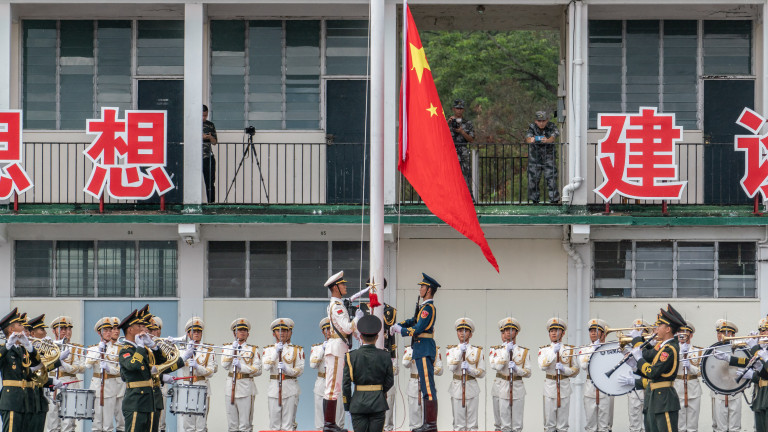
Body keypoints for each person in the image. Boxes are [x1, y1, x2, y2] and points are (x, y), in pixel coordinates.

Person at [118, 306, 189, 432]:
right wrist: (140, 346)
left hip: (147, 401)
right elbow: (132, 366)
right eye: (139, 326)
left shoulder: (142, 349)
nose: (143, 329)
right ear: (130, 329)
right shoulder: (126, 350)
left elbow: (161, 361)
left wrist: (153, 346)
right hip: (135, 401)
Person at [390, 273, 439, 432]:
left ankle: (430, 425)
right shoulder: (424, 307)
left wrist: (401, 330)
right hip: (421, 349)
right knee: (425, 387)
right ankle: (427, 424)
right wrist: (399, 324)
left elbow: (418, 328)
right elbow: (413, 320)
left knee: (428, 388)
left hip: (424, 348)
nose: (420, 288)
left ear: (429, 290)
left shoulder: (428, 308)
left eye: (423, 286)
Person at [625, 304, 686, 432]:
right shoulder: (663, 347)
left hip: (664, 399)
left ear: (668, 329)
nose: (656, 329)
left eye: (659, 326)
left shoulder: (669, 349)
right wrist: (636, 367)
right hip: (655, 399)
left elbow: (653, 372)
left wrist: (639, 359)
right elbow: (650, 364)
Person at [324, 270, 364, 432]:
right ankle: (328, 425)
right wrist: (357, 318)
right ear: (335, 288)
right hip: (336, 348)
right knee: (332, 388)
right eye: (342, 284)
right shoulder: (336, 306)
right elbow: (347, 328)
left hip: (340, 347)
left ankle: (331, 423)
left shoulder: (339, 305)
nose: (345, 286)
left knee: (336, 387)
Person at [714, 317, 768, 432]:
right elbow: (749, 362)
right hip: (761, 394)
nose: (762, 333)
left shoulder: (761, 350)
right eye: (761, 330)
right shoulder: (763, 349)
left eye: (765, 330)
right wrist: (728, 358)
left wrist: (754, 349)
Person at [342, 315, 395, 432]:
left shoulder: (351, 356)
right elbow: (390, 381)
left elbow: (346, 384)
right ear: (377, 337)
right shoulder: (385, 355)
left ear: (360, 337)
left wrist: (348, 405)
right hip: (378, 403)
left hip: (357, 404)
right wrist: (379, 392)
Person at [489, 317, 530, 432]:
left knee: (517, 425)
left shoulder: (523, 351)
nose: (508, 332)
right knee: (503, 424)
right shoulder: (496, 350)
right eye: (506, 330)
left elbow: (528, 372)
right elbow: (496, 366)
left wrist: (517, 369)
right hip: (501, 386)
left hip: (517, 386)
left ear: (516, 332)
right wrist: (506, 352)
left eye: (511, 329)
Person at [538, 317, 579, 432]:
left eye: (557, 331)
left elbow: (576, 370)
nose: (554, 333)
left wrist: (564, 370)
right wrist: (553, 352)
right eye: (552, 331)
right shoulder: (544, 350)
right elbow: (542, 366)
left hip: (564, 386)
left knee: (563, 425)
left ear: (563, 333)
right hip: (550, 387)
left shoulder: (570, 350)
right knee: (549, 424)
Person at [263, 318, 304, 431]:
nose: (282, 333)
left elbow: (300, 370)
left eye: (285, 331)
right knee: (274, 424)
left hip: (290, 387)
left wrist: (287, 370)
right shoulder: (269, 350)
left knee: (288, 425)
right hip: (274, 388)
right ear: (274, 333)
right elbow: (266, 367)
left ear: (289, 332)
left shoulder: (297, 350)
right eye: (279, 331)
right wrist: (276, 353)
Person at [221, 317, 261, 432]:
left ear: (248, 334)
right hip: (230, 387)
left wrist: (241, 367)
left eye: (244, 330)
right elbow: (224, 365)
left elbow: (258, 370)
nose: (242, 332)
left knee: (245, 425)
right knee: (232, 425)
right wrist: (233, 351)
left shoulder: (253, 350)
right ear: (234, 333)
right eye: (239, 330)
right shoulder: (227, 347)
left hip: (246, 387)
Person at [46, 316, 85, 432]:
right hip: (52, 386)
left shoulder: (76, 349)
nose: (66, 331)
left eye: (68, 329)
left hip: (69, 385)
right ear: (53, 331)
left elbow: (82, 368)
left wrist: (64, 365)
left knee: (68, 424)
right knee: (52, 424)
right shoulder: (48, 347)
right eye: (61, 328)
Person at [445, 317, 485, 431]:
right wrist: (459, 353)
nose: (462, 333)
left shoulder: (477, 351)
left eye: (465, 331)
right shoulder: (452, 350)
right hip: (457, 386)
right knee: (458, 425)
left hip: (471, 386)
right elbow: (451, 368)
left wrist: (470, 370)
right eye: (459, 331)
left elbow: (482, 373)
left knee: (472, 425)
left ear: (470, 334)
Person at [180, 316, 218, 432]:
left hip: (202, 385)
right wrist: (185, 355)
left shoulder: (208, 349)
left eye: (198, 331)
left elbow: (211, 371)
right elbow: (177, 364)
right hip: (187, 386)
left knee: (201, 424)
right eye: (193, 331)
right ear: (188, 333)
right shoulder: (182, 348)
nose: (196, 334)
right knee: (188, 425)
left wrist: (198, 367)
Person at [87, 317, 122, 432]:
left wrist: (109, 368)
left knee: (108, 425)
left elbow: (119, 369)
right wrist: (99, 351)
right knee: (96, 424)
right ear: (99, 332)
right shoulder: (93, 349)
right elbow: (87, 365)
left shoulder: (117, 349)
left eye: (110, 330)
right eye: (105, 330)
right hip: (97, 387)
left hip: (111, 387)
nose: (108, 333)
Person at [310, 318, 345, 430]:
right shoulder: (317, 348)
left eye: (330, 329)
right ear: (322, 332)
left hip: (336, 382)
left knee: (338, 419)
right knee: (320, 422)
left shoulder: (341, 346)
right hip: (322, 381)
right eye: (326, 329)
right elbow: (313, 364)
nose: (329, 332)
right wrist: (322, 350)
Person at [579, 318, 613, 432]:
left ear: (603, 334)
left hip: (605, 386)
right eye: (591, 330)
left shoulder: (610, 349)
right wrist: (593, 351)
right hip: (590, 387)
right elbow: (583, 365)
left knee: (604, 425)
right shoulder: (585, 349)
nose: (593, 332)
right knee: (590, 424)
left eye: (597, 330)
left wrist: (601, 349)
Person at [403, 343, 443, 430]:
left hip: (427, 384)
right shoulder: (409, 349)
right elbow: (405, 364)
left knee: (429, 422)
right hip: (414, 385)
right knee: (414, 422)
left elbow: (440, 370)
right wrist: (413, 350)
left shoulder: (434, 349)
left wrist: (427, 371)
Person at [710, 319, 741, 432]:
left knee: (735, 427)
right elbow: (709, 371)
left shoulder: (740, 349)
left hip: (735, 390)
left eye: (726, 333)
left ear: (733, 334)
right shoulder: (712, 351)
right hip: (718, 392)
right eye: (720, 333)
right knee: (719, 427)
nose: (722, 336)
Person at [525, 110, 560, 203]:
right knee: (533, 179)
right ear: (536, 121)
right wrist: (531, 139)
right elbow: (527, 138)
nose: (541, 123)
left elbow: (554, 135)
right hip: (535, 157)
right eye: (539, 121)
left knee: (551, 178)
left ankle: (554, 200)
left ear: (547, 120)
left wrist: (548, 140)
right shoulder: (532, 127)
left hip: (549, 156)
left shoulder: (552, 126)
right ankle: (534, 200)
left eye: (543, 121)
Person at [447, 99, 475, 201]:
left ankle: (468, 199)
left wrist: (462, 132)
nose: (459, 110)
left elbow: (471, 139)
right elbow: (440, 136)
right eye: (457, 108)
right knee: (450, 176)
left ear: (463, 110)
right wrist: (447, 124)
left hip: (463, 152)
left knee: (466, 175)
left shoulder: (468, 123)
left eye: (461, 108)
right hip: (450, 152)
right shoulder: (448, 122)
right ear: (453, 109)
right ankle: (451, 199)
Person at [675, 323, 702, 432]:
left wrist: (691, 367)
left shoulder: (697, 351)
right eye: (680, 333)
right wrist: (680, 353)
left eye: (685, 333)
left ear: (691, 335)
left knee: (692, 426)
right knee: (680, 426)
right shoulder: (673, 350)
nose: (682, 335)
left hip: (693, 389)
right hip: (678, 388)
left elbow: (701, 372)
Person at [627, 318, 651, 432]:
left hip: (649, 388)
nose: (640, 334)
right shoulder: (627, 350)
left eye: (642, 332)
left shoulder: (651, 349)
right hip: (634, 389)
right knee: (635, 425)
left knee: (649, 424)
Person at [110, 315, 127, 432]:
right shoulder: (101, 347)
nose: (116, 331)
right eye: (113, 328)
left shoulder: (124, 347)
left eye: (118, 329)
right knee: (106, 423)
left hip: (120, 386)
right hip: (107, 386)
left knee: (121, 421)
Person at [203, 104, 218, 203]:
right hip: (195, 157)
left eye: (205, 115)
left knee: (210, 182)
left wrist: (209, 137)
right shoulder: (191, 124)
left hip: (207, 156)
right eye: (202, 115)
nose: (204, 118)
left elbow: (215, 142)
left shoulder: (210, 125)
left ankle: (211, 203)